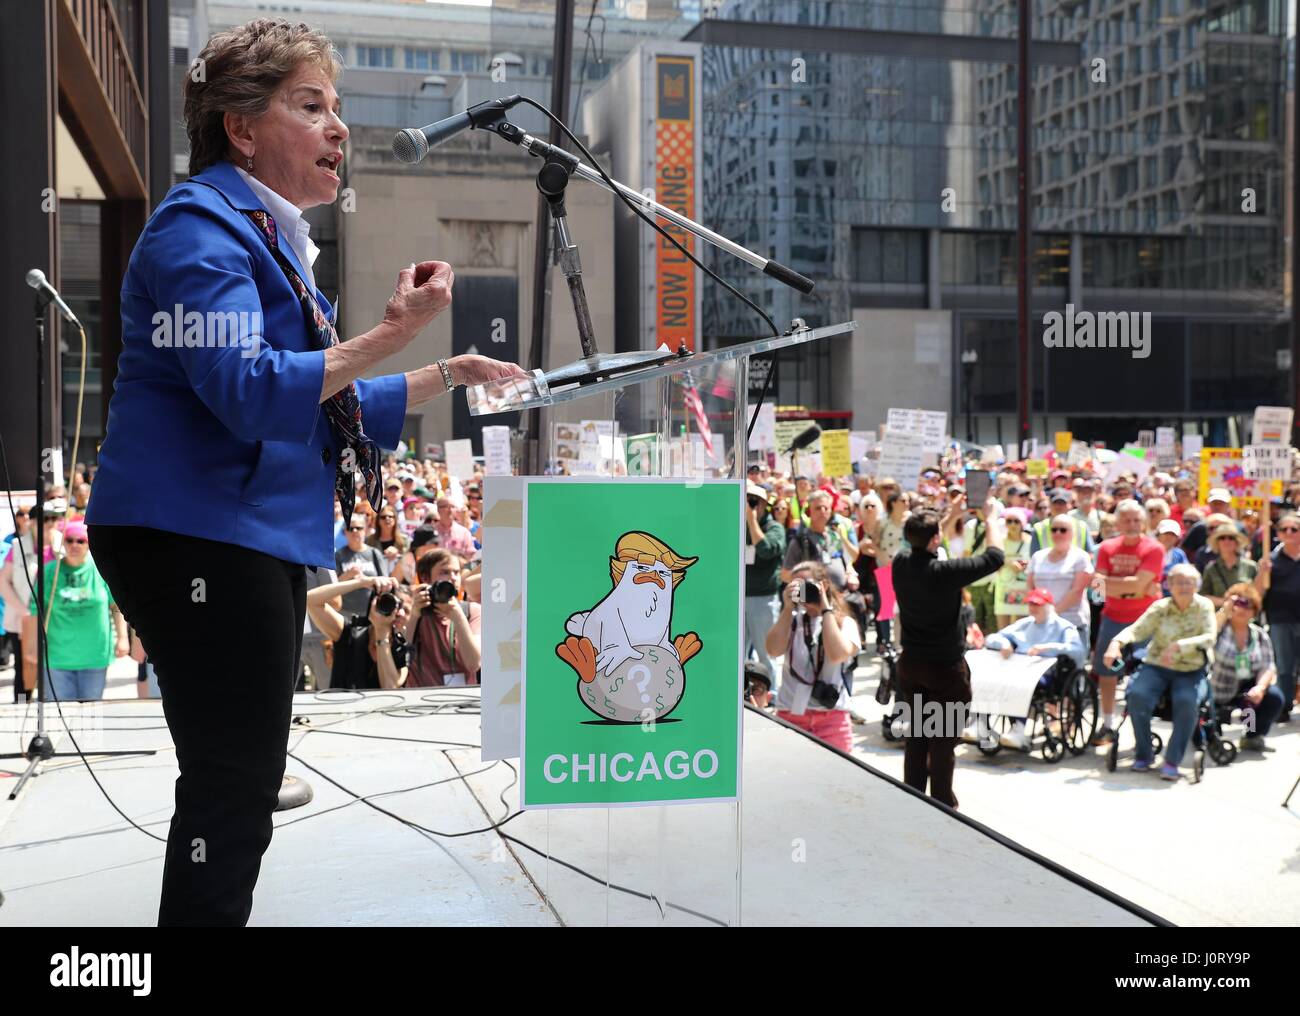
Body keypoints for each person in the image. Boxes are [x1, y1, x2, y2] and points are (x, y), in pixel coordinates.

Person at [83, 16, 527, 928]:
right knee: (232, 787)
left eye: (341, 109)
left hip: (239, 531)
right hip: (197, 535)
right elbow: (249, 391)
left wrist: (445, 370)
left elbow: (328, 404)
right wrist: (391, 335)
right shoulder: (195, 229)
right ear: (240, 128)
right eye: (311, 105)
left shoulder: (268, 237)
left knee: (236, 781)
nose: (340, 129)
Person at [891, 497, 1005, 807]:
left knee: (916, 737)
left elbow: (924, 538)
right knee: (941, 742)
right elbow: (995, 557)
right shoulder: (944, 572)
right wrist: (991, 518)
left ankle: (912, 796)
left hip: (912, 666)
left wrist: (948, 515)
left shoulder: (900, 564)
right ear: (935, 539)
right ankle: (942, 802)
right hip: (945, 671)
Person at [1103, 563, 1216, 780]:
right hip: (1157, 666)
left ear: (1196, 585)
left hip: (1190, 669)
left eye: (1189, 582)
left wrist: (1180, 645)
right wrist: (1116, 643)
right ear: (1169, 585)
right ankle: (1144, 754)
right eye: (1179, 582)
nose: (1184, 586)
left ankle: (1172, 760)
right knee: (1137, 696)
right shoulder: (1160, 607)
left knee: (1187, 702)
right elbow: (1138, 629)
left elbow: (1210, 637)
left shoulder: (1204, 606)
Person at [765, 561, 862, 753]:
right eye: (796, 586)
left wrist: (824, 607)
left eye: (806, 584)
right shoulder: (791, 621)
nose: (802, 591)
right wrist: (786, 608)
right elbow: (773, 650)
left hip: (832, 719)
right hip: (791, 716)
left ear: (824, 585)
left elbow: (837, 654)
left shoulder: (844, 622)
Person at [1090, 500, 1162, 745]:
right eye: (1127, 520)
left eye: (1136, 520)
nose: (1132, 525)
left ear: (1143, 522)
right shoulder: (1106, 548)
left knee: (1145, 673)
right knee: (1106, 671)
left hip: (1146, 620)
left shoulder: (1153, 548)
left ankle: (1142, 726)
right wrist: (1129, 587)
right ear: (1118, 522)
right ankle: (1107, 723)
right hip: (1113, 617)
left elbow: (1139, 585)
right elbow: (1097, 588)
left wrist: (1118, 585)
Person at [33, 522, 130, 701]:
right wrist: (32, 648)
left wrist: (123, 638)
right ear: (63, 543)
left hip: (95, 656)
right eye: (69, 540)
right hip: (57, 658)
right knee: (63, 715)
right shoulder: (49, 572)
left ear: (88, 544)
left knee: (91, 716)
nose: (74, 545)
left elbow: (116, 606)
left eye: (80, 541)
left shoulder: (101, 570)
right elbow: (34, 611)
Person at [981, 588, 1086, 750]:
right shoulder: (1025, 624)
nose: (1032, 608)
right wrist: (1004, 643)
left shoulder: (1064, 627)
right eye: (1030, 604)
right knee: (992, 679)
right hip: (1019, 669)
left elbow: (1077, 650)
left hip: (1048, 673)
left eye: (1037, 604)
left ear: (1049, 606)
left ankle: (1019, 731)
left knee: (1020, 683)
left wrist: (1048, 647)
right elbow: (992, 637)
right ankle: (980, 725)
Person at [1209, 583, 1285, 750]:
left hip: (1245, 690)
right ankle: (1208, 734)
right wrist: (1225, 609)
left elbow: (1268, 665)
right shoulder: (1220, 628)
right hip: (1216, 689)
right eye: (1239, 604)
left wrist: (1259, 687)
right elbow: (1208, 633)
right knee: (1207, 739)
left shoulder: (1259, 635)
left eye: (1249, 606)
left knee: (1274, 697)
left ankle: (1251, 735)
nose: (1243, 609)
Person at [307, 574, 410, 690]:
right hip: (342, 706)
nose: (399, 613)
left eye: (406, 610)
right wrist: (361, 582)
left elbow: (390, 687)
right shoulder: (349, 632)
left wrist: (382, 632)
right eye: (393, 605)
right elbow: (311, 600)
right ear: (374, 603)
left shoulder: (402, 648)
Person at [404, 549, 482, 686]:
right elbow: (403, 655)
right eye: (444, 572)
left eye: (457, 572)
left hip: (462, 700)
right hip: (420, 701)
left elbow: (474, 664)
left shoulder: (471, 610)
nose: (453, 577)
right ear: (425, 578)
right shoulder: (412, 608)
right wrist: (415, 614)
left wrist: (458, 617)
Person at [1258, 511, 1300, 722]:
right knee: (1284, 666)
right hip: (1281, 619)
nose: (1289, 533)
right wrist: (1261, 573)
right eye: (1284, 529)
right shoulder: (1270, 560)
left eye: (1294, 529)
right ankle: (1284, 706)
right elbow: (1258, 593)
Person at [744, 482, 786, 687]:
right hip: (740, 598)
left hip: (763, 600)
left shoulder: (774, 527)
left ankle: (772, 693)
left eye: (754, 502)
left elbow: (766, 550)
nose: (750, 506)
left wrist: (752, 521)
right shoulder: (738, 525)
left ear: (764, 504)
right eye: (747, 501)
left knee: (766, 653)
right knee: (738, 653)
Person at [1027, 516, 1093, 645]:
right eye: (1054, 530)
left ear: (1072, 533)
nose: (1058, 533)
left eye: (1063, 530)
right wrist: (1039, 614)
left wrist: (1051, 615)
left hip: (1071, 623)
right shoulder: (1038, 556)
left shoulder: (1080, 557)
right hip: (1041, 623)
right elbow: (1030, 586)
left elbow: (1077, 591)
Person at [1198, 524, 1259, 609]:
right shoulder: (1211, 568)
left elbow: (1258, 594)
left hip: (1245, 616)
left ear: (1236, 543)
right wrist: (1226, 602)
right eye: (1222, 538)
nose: (1226, 541)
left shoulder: (1251, 566)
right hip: (1220, 617)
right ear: (1217, 543)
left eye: (1231, 538)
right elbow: (1203, 596)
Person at [994, 507, 1031, 629]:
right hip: (1004, 587)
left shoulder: (1030, 541)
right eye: (1009, 521)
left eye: (1016, 521)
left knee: (1020, 629)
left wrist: (1026, 564)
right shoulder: (999, 541)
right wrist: (1009, 563)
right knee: (1003, 629)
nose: (1013, 524)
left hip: (1022, 589)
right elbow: (992, 560)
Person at [1154, 518, 1189, 596]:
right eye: (1166, 533)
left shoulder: (1179, 555)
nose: (1169, 537)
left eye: (1173, 534)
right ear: (1158, 535)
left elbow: (1187, 575)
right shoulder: (1149, 552)